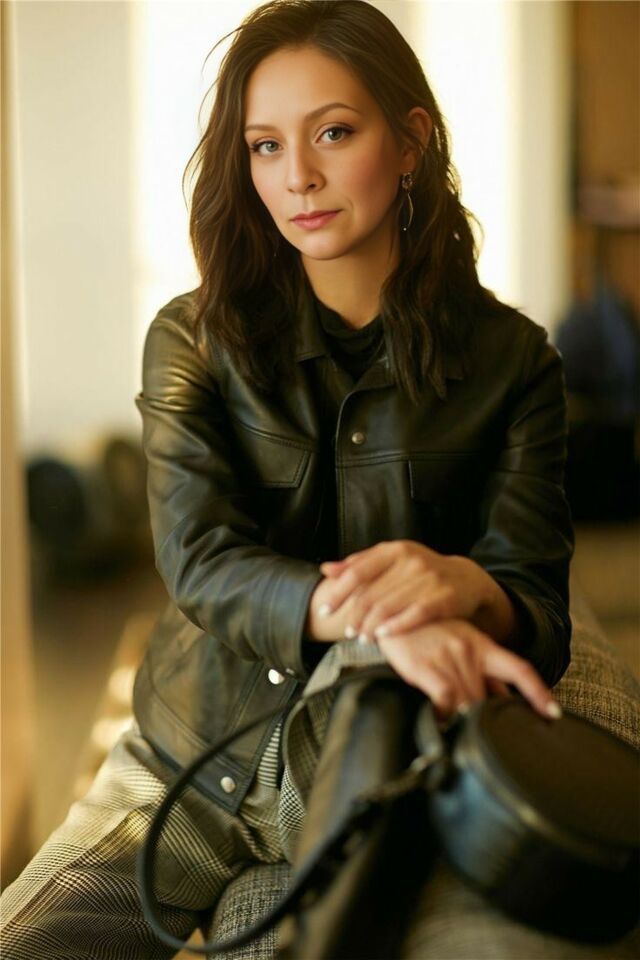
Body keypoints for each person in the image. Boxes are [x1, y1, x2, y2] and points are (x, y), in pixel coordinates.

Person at [0, 1, 574, 957]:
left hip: (368, 769)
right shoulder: (192, 337)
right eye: (264, 146)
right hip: (186, 760)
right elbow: (200, 558)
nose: (296, 177)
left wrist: (469, 587)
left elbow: (538, 610)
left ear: (409, 143)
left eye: (334, 134)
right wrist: (391, 617)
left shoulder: (515, 364)